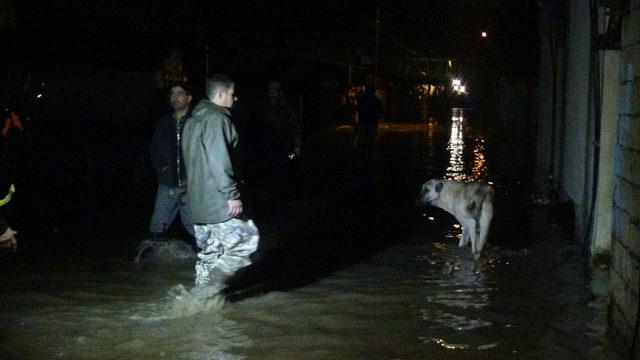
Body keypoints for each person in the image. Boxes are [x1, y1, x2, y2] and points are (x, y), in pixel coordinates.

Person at [182, 75, 259, 289]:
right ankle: (213, 289)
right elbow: (219, 160)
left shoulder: (191, 120)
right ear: (221, 94)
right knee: (246, 241)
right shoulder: (218, 119)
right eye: (232, 94)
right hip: (218, 201)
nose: (234, 98)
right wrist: (232, 195)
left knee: (209, 253)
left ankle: (198, 297)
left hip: (198, 203)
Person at [148, 83, 195, 240]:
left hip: (192, 185)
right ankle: (158, 262)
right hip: (167, 184)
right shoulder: (163, 123)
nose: (175, 97)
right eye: (172, 93)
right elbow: (154, 150)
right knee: (157, 227)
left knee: (196, 228)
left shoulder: (197, 122)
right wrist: (163, 170)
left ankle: (206, 261)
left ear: (189, 97)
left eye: (180, 93)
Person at [256, 81, 302, 210]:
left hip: (284, 149)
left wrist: (297, 146)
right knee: (268, 176)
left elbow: (295, 127)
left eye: (275, 90)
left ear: (281, 92)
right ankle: (270, 203)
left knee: (285, 173)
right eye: (271, 90)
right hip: (267, 149)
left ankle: (286, 201)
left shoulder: (287, 108)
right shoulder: (263, 108)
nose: (272, 93)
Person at [355, 85, 383, 157]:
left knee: (367, 137)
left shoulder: (367, 99)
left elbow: (359, 108)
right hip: (370, 121)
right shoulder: (375, 100)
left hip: (368, 121)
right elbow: (380, 111)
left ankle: (365, 153)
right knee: (369, 137)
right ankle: (367, 152)